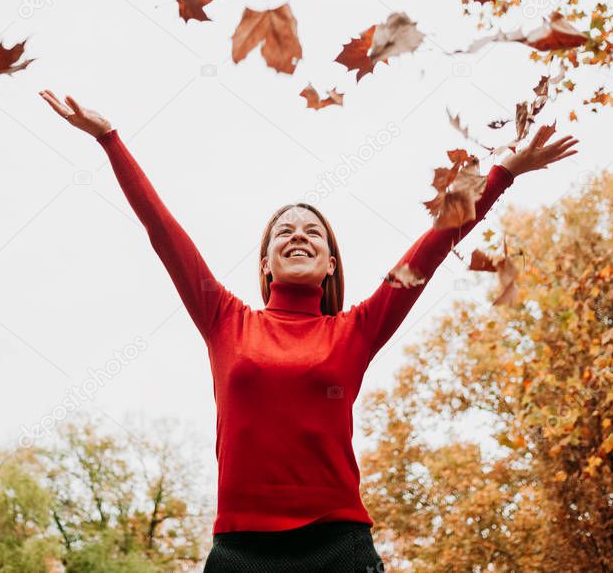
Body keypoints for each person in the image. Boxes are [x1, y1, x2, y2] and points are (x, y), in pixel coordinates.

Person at [39, 89, 579, 572]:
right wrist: (109, 138)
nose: (298, 236)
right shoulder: (225, 319)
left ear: (329, 265)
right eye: (284, 232)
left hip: (338, 549)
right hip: (240, 553)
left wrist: (503, 171)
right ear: (267, 264)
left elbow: (434, 243)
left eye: (313, 233)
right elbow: (162, 228)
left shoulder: (357, 330)